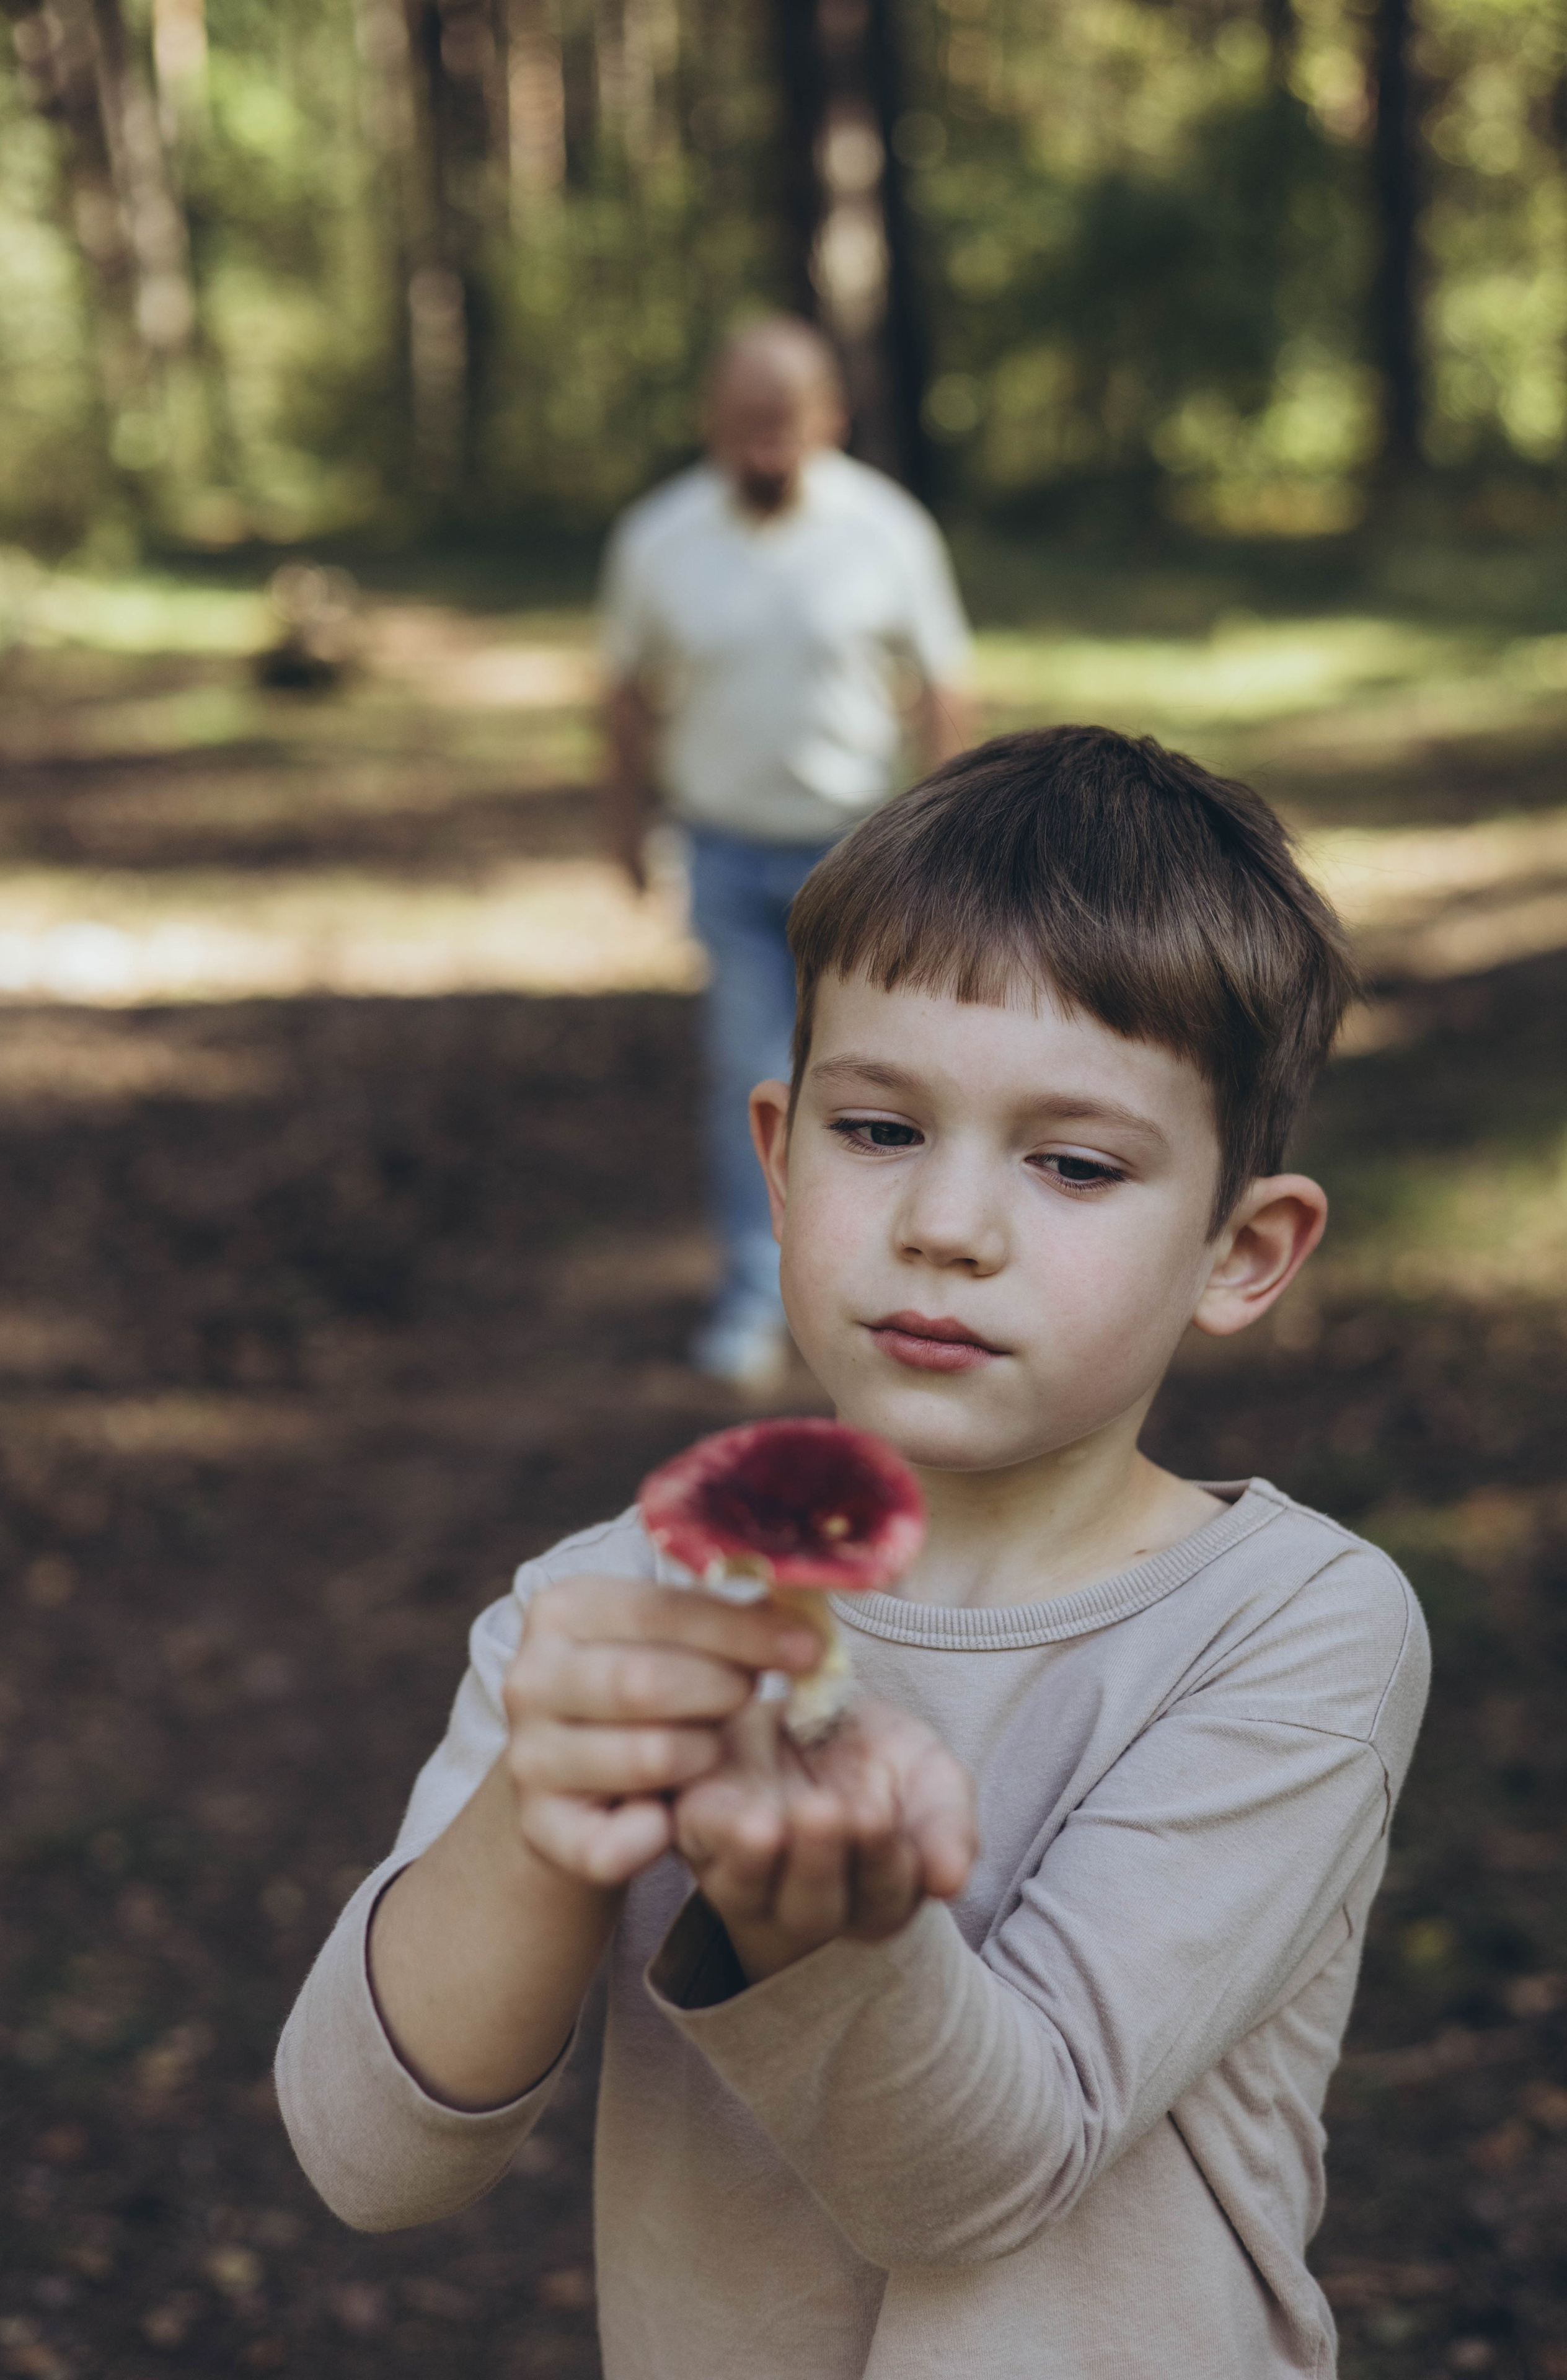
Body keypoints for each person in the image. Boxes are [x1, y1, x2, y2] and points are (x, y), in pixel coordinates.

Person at [278, 726, 1430, 2380]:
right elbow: (372, 2159)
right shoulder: (614, 1611)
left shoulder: (1295, 1630)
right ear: (778, 1154)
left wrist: (820, 1921)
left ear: (1243, 1251)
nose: (946, 1225)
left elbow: (978, 2185)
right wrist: (544, 1812)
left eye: (1076, 1163)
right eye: (880, 1130)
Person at [601, 314, 975, 1385]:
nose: (765, 441)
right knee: (748, 1079)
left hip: (859, 861)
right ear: (712, 421)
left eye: (785, 419)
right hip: (722, 854)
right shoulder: (657, 537)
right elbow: (625, 696)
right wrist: (621, 828)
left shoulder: (887, 530)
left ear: (830, 418)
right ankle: (754, 1303)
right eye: (744, 420)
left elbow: (943, 685)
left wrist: (949, 836)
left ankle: (885, 1294)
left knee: (878, 1089)